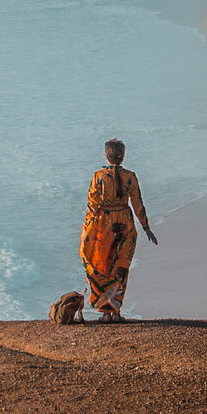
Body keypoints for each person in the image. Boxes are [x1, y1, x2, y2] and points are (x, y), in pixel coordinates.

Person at [79, 138, 158, 322]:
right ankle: (116, 312)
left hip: (103, 225)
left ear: (106, 155)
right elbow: (138, 204)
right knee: (120, 268)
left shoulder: (98, 176)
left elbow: (92, 206)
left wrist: (86, 229)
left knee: (101, 266)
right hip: (125, 222)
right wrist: (146, 227)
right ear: (123, 156)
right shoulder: (130, 176)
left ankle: (106, 313)